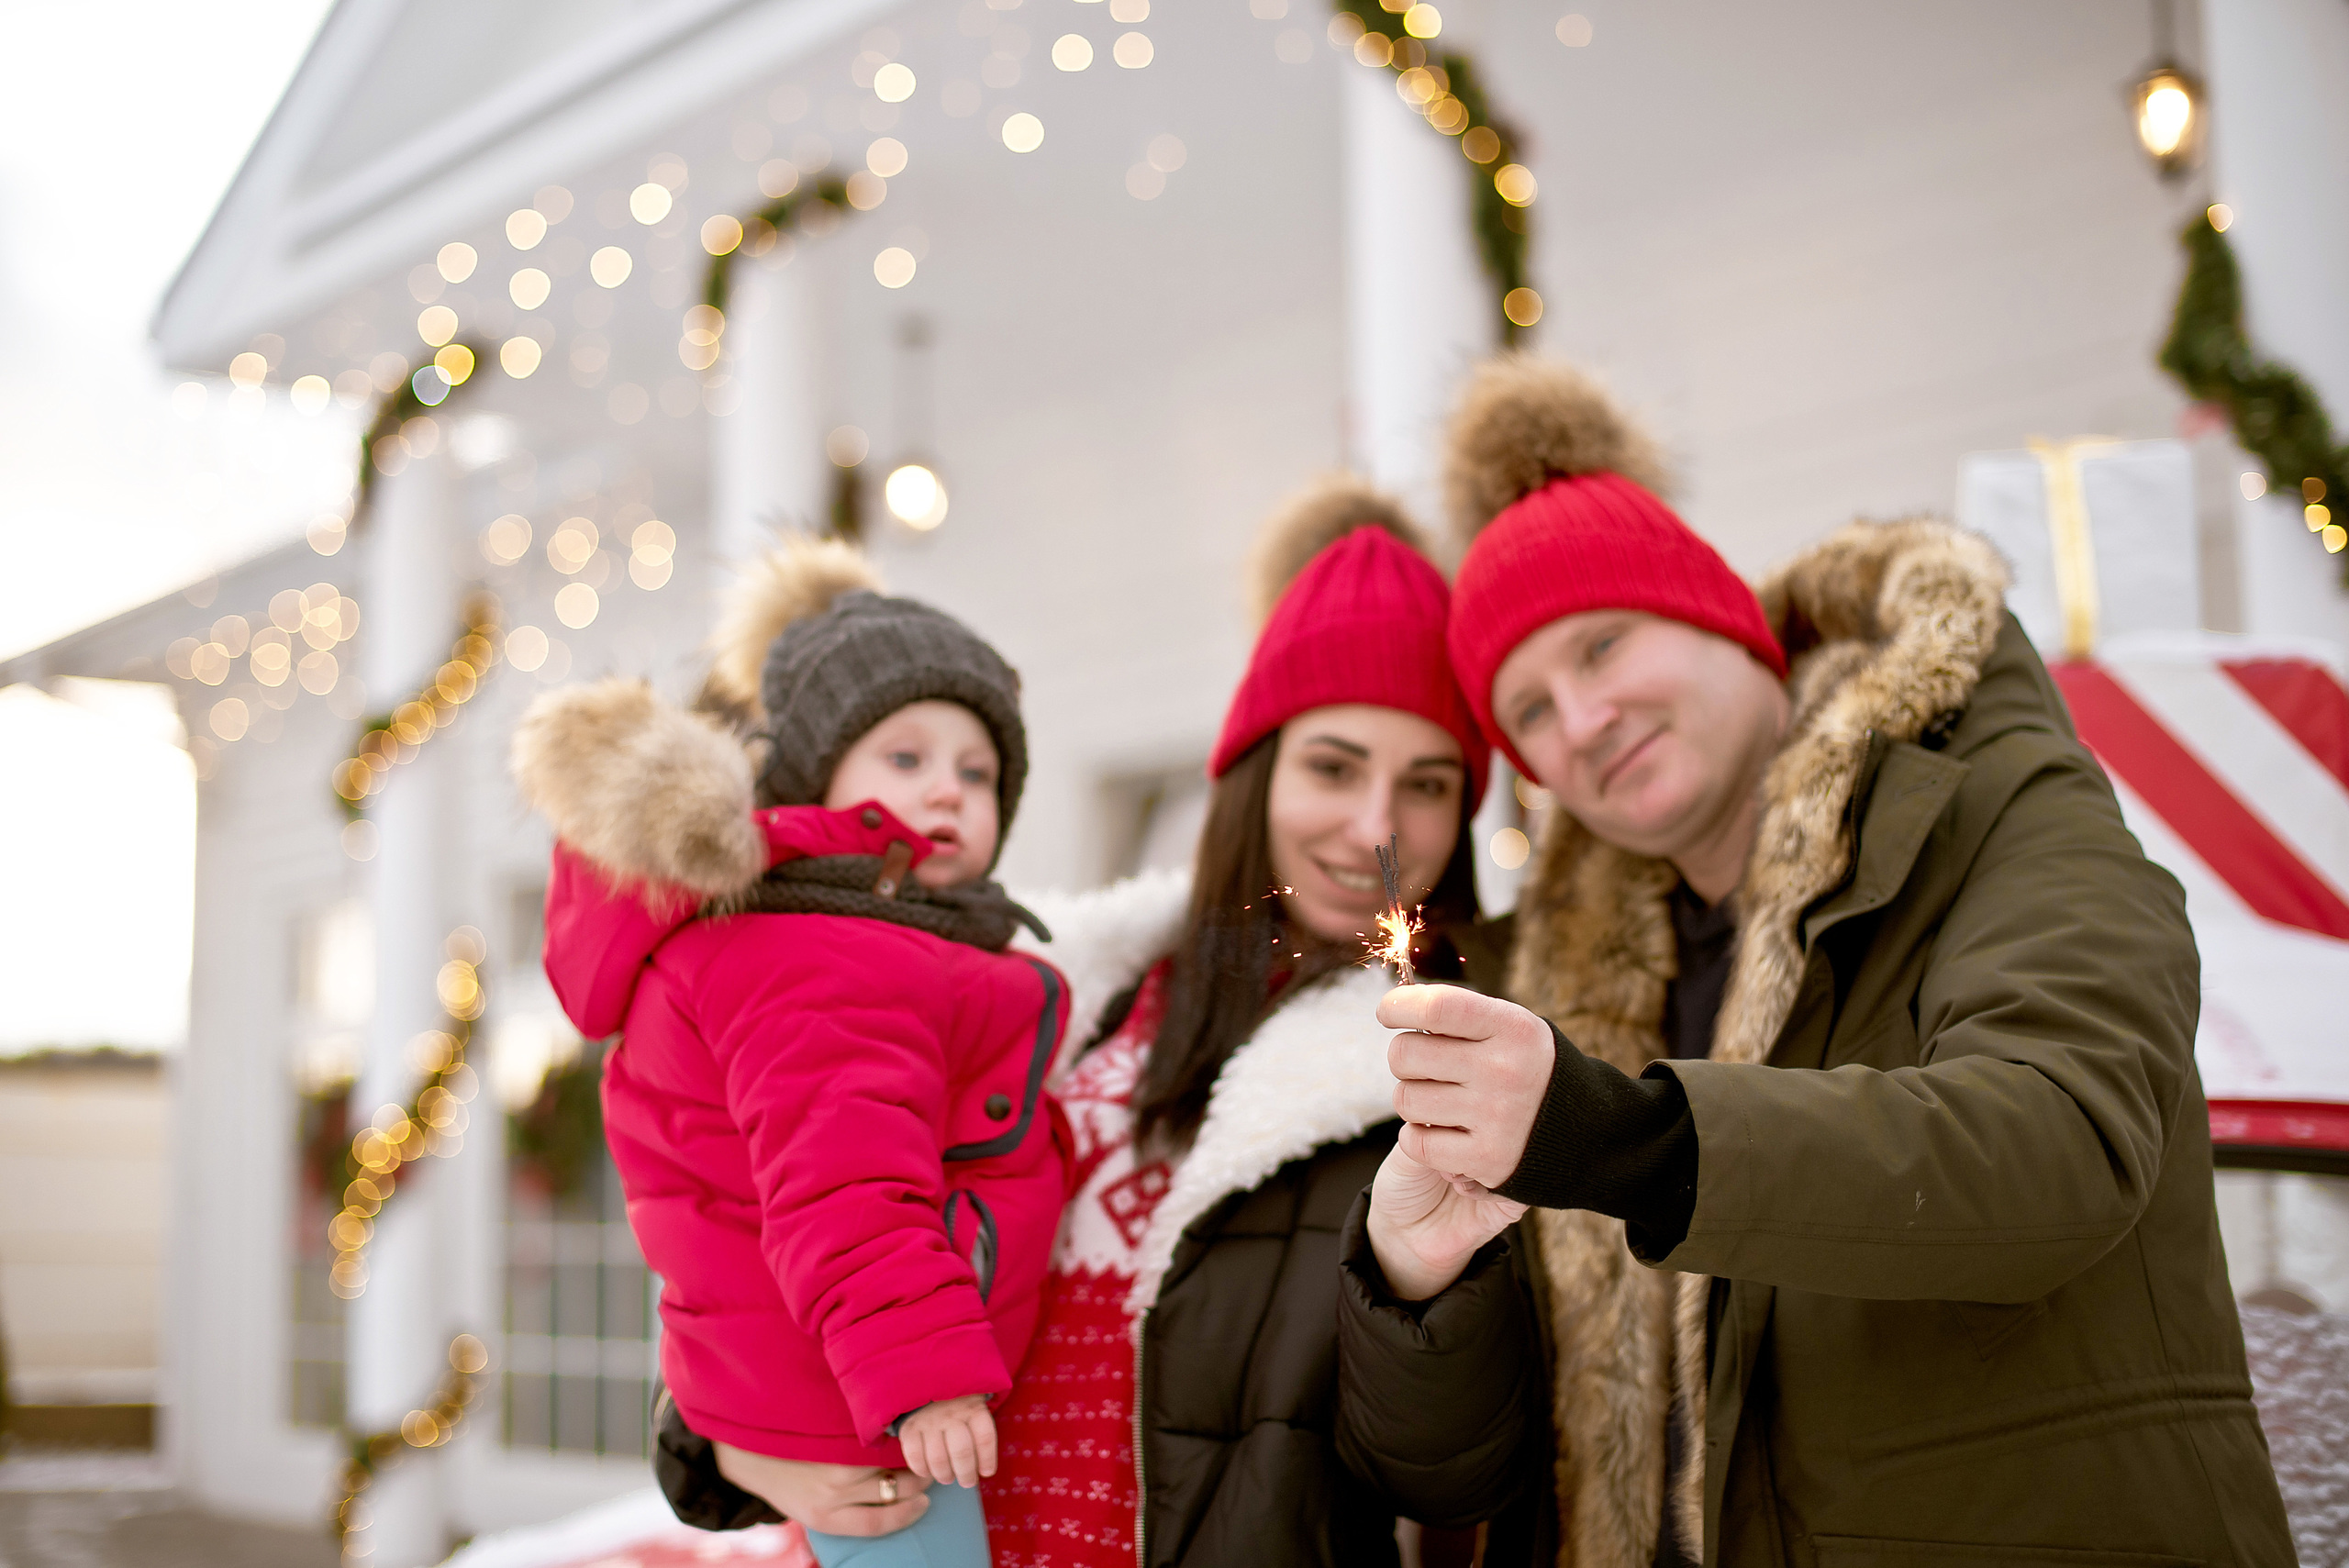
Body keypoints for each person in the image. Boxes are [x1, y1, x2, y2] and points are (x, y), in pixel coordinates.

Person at [1335, 358, 2298, 1566]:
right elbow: (1473, 1469)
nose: (1579, 722)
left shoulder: (1991, 800)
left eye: (1603, 646)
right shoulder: (1560, 983)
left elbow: (2065, 1140)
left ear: (1723, 620)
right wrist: (1418, 1291)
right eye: (1526, 710)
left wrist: (1630, 1141)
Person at [539, 484, 1506, 1565]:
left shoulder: (1449, 1067)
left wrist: (1419, 1280)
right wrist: (731, 1452)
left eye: (1427, 783)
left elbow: (1455, 1473)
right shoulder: (1054, 987)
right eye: (1331, 765)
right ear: (1251, 772)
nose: (1375, 825)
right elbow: (806, 1207)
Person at [513, 539, 1069, 1568]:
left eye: (978, 770)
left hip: (833, 1385)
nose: (947, 789)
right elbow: (846, 1177)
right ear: (821, 775)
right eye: (905, 758)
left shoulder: (877, 938)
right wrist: (926, 1373)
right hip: (874, 1406)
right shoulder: (827, 953)